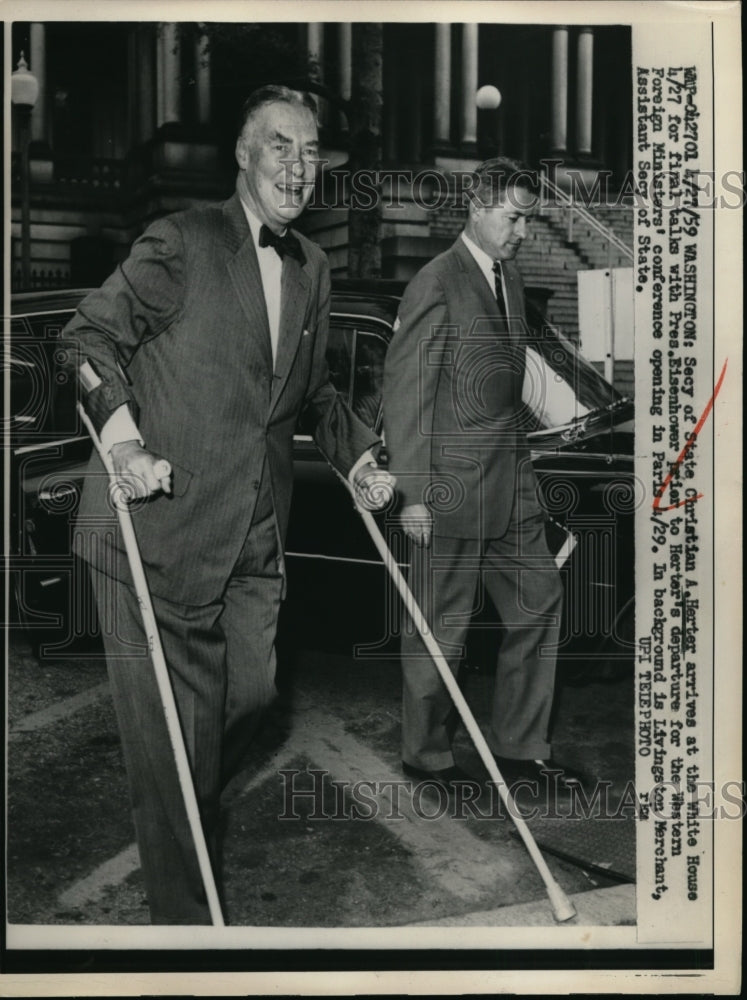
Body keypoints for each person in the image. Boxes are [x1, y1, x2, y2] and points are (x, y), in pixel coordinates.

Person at [63, 85, 394, 924]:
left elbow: (312, 393)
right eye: (280, 145)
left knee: (250, 696)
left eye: (310, 151)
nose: (298, 165)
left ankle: (184, 801)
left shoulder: (311, 266)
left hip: (252, 532)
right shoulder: (182, 240)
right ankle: (187, 936)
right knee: (174, 749)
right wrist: (125, 443)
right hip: (153, 529)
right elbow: (87, 339)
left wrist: (358, 457)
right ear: (243, 156)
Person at [383, 157, 583, 806]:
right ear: (476, 207)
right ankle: (427, 756)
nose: (523, 232)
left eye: (528, 220)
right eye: (513, 218)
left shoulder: (510, 277)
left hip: (511, 480)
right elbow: (406, 392)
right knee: (441, 627)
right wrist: (413, 492)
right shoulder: (436, 282)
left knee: (538, 600)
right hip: (449, 486)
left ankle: (520, 749)